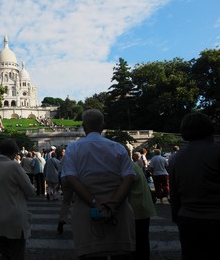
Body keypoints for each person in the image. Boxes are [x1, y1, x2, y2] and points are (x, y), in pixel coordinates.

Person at [169, 112, 220, 260]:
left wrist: (177, 217)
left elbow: (174, 193)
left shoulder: (176, 158)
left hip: (188, 220)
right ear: (210, 129)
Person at [62, 109, 136, 259]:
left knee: (92, 254)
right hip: (118, 209)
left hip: (87, 208)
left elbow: (71, 178)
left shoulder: (73, 148)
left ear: (83, 126)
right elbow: (129, 177)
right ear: (103, 125)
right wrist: (113, 203)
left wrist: (95, 202)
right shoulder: (118, 147)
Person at [0, 138, 36, 259]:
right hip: (13, 219)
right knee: (17, 255)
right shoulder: (14, 166)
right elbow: (30, 191)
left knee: (5, 254)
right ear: (14, 153)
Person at [128, 149, 157, 260]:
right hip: (142, 207)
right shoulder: (131, 165)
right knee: (142, 239)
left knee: (138, 240)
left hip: (137, 209)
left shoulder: (128, 168)